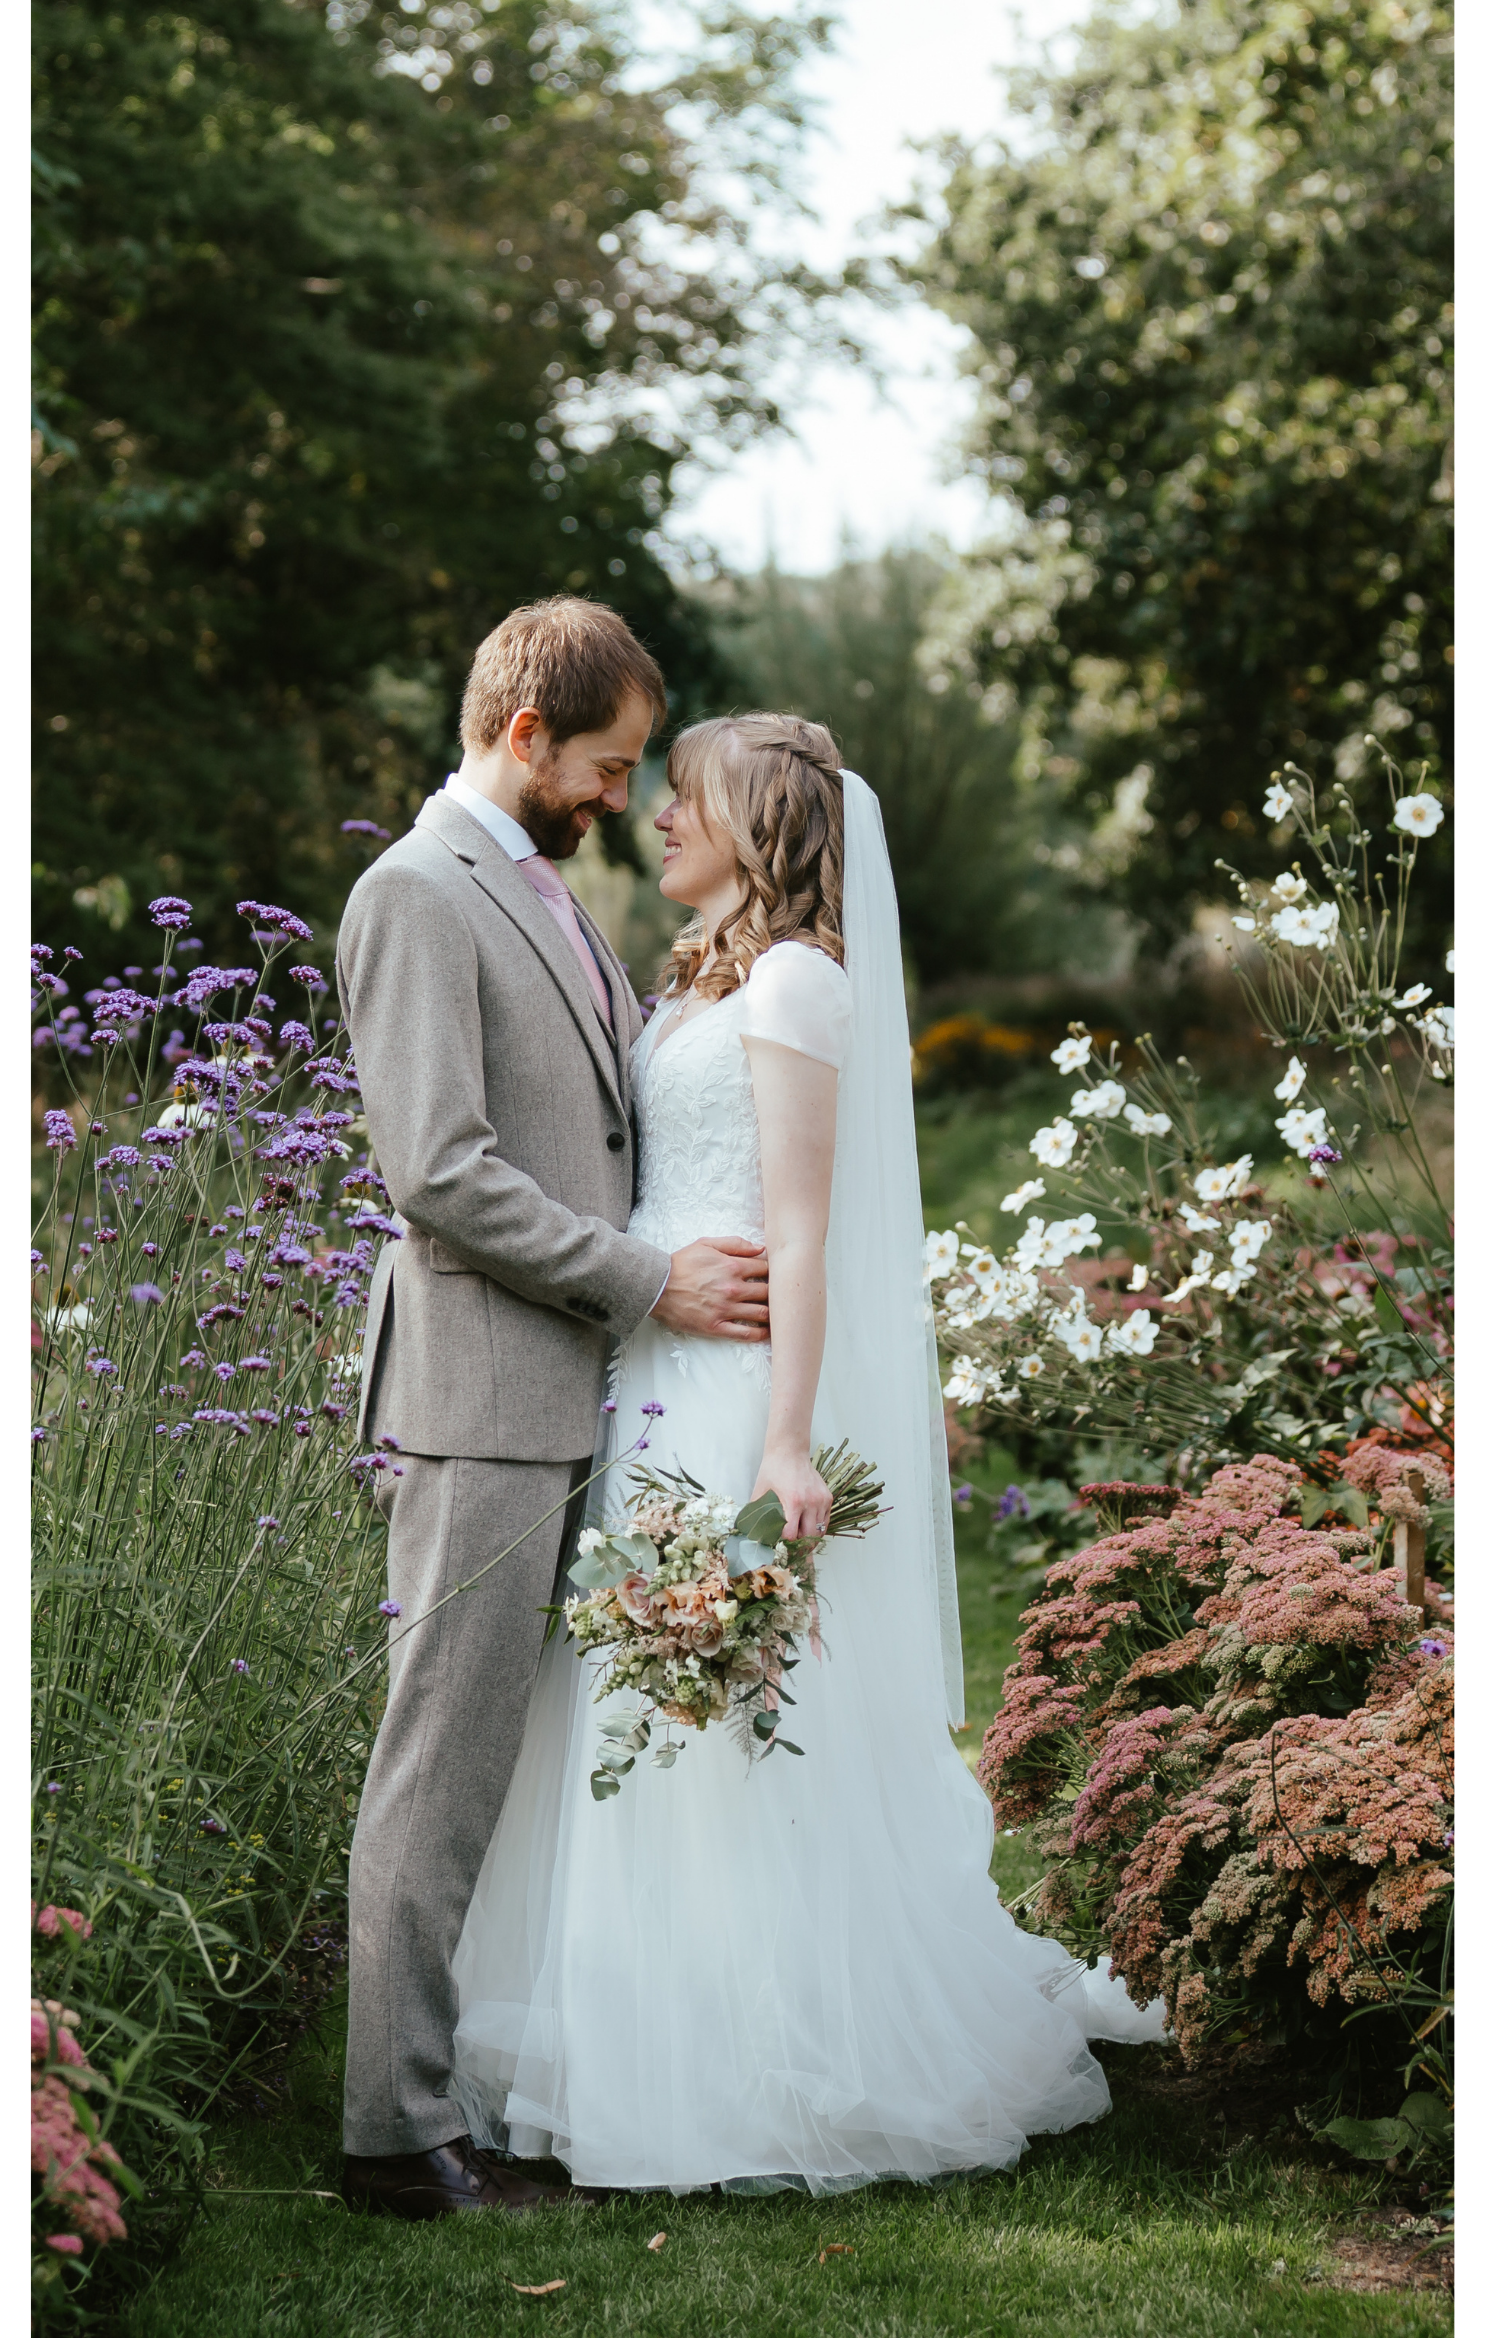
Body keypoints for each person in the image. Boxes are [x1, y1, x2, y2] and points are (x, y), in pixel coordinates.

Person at [452, 714, 1165, 2198]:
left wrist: (785, 1438)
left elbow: (802, 1228)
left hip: (724, 1384)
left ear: (759, 821)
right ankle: (647, 2016)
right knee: (638, 1707)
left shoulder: (792, 981)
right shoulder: (703, 972)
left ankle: (757, 2048)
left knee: (723, 1708)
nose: (656, 817)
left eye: (686, 797)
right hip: (645, 1368)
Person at [335, 600, 772, 2219]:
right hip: (478, 1398)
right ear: (525, 735)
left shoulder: (539, 892)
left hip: (565, 1398)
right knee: (437, 1769)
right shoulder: (413, 896)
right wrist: (648, 1280)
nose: (617, 793)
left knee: (495, 1771)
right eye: (604, 763)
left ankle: (452, 2093)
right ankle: (392, 2136)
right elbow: (438, 1173)